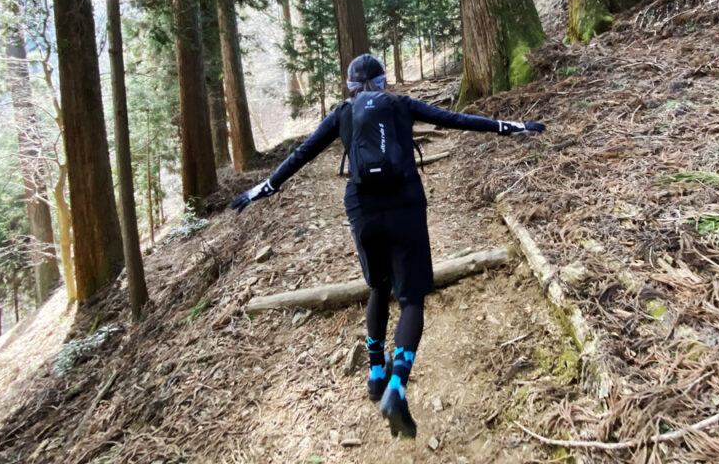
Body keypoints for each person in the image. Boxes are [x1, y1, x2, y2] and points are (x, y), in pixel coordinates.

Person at [232, 54, 545, 439]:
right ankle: (397, 386)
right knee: (411, 297)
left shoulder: (342, 113)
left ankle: (375, 373)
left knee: (378, 286)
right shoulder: (400, 105)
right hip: (406, 205)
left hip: (363, 209)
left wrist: (262, 189)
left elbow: (302, 153)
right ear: (382, 81)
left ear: (350, 85)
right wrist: (513, 127)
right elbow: (456, 120)